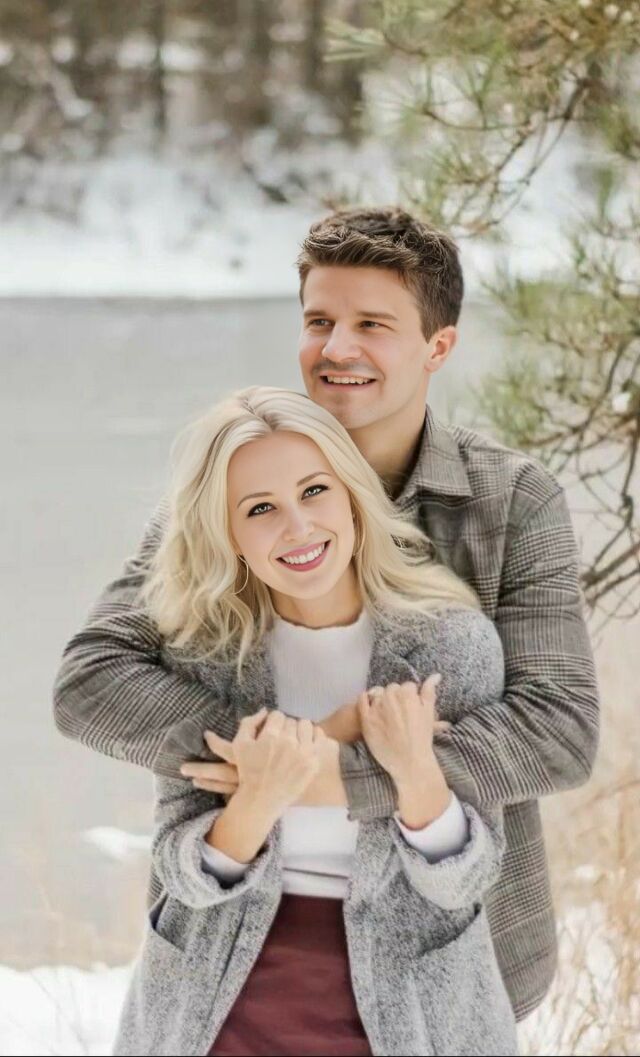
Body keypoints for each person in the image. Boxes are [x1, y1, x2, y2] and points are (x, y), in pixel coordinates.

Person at [52, 206, 600, 1023]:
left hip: (453, 953)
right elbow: (92, 681)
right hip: (236, 958)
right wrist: (272, 753)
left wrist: (331, 776)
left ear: (438, 346)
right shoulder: (232, 486)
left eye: (372, 324)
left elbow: (558, 729)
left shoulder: (510, 499)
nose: (337, 348)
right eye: (319, 321)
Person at [111, 385, 518, 1057]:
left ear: (353, 494)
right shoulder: (201, 656)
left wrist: (416, 776)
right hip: (215, 1005)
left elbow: (466, 881)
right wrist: (260, 799)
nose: (297, 527)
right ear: (228, 535)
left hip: (412, 1011)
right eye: (260, 508)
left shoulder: (451, 645)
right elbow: (179, 872)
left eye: (314, 491)